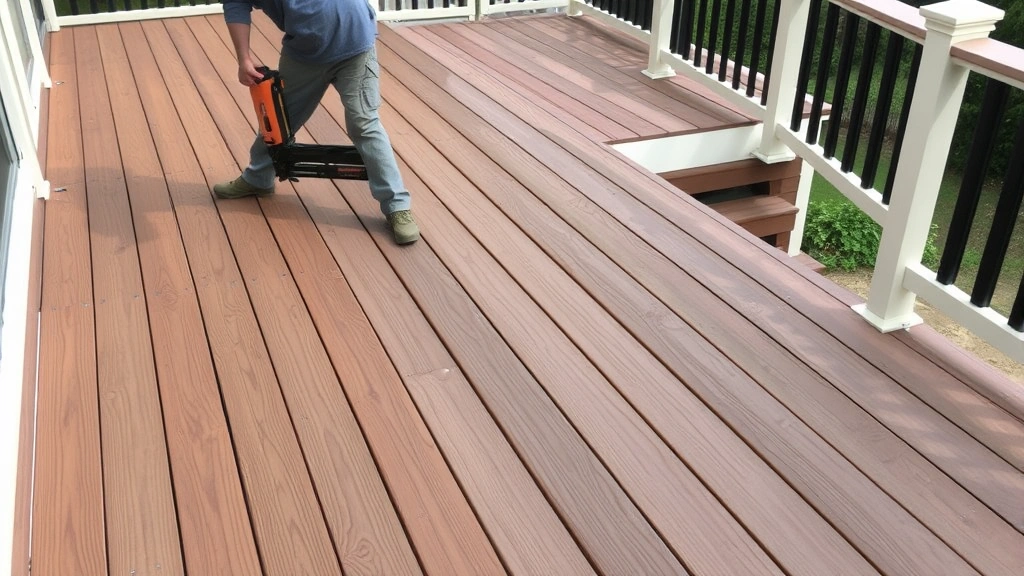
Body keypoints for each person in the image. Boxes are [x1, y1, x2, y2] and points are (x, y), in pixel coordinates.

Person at [217, 0, 420, 245]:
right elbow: (236, 4)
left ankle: (397, 205)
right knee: (278, 120)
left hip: (354, 46)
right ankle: (257, 179)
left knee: (363, 123)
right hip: (304, 53)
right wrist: (244, 59)